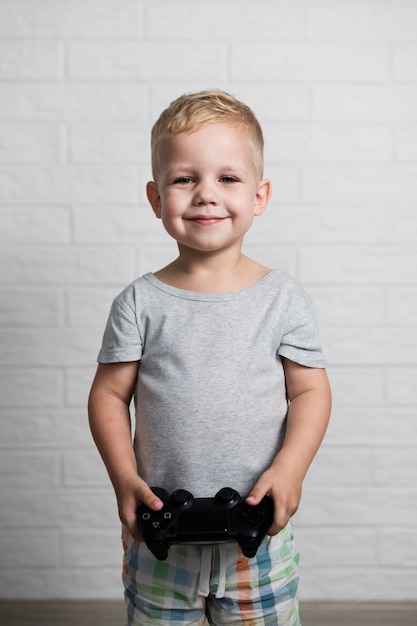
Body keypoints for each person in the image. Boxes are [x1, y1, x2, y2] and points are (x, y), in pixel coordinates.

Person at [88, 90, 332, 625]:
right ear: (156, 199)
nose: (205, 195)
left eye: (227, 178)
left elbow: (310, 391)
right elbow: (109, 394)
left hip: (257, 534)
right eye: (184, 179)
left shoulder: (283, 298)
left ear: (260, 194)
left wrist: (290, 469)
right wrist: (123, 477)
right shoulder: (139, 302)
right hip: (162, 535)